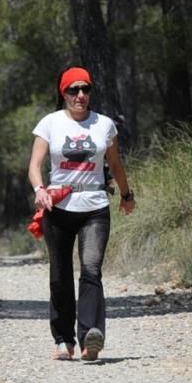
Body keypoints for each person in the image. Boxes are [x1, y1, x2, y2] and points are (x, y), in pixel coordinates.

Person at [28, 66, 136, 361]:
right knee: (60, 274)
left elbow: (115, 165)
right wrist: (40, 188)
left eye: (85, 89)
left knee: (91, 270)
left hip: (95, 207)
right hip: (58, 206)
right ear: (63, 93)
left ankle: (90, 336)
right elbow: (35, 165)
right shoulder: (50, 123)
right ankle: (64, 339)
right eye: (73, 90)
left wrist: (127, 195)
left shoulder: (104, 125)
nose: (80, 95)